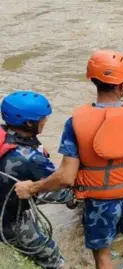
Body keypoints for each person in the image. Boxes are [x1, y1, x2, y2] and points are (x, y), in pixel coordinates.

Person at [14, 49, 123, 269]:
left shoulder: (75, 122)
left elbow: (66, 178)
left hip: (100, 201)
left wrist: (33, 188)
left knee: (103, 255)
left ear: (93, 81)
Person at [0, 90, 73, 269]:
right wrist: (75, 196)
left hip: (4, 196)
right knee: (50, 254)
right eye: (43, 118)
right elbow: (59, 186)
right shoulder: (31, 158)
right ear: (29, 123)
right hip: (9, 219)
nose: (46, 121)